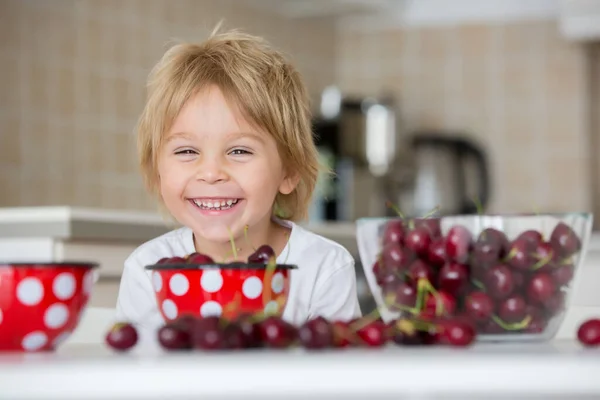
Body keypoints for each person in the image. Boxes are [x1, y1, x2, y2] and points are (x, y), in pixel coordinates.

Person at [114, 26, 361, 346]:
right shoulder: (146, 271)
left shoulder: (323, 267)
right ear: (158, 171)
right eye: (187, 151)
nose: (212, 172)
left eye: (239, 151)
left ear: (289, 171)